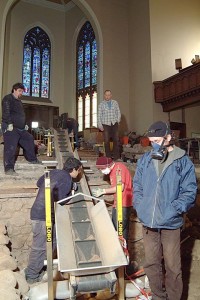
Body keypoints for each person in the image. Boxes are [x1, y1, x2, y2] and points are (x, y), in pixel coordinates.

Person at [133, 121, 197, 300]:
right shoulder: (146, 160)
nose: (153, 143)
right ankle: (158, 296)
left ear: (168, 137)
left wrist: (175, 209)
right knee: (151, 264)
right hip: (149, 223)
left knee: (173, 266)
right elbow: (137, 185)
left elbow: (190, 191)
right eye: (151, 140)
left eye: (157, 140)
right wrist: (141, 205)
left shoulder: (182, 161)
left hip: (170, 222)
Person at [25, 157, 82, 284]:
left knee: (54, 241)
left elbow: (39, 182)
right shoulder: (67, 178)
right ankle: (31, 275)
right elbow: (61, 200)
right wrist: (72, 193)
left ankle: (43, 267)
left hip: (41, 212)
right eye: (78, 171)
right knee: (39, 247)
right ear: (73, 169)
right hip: (42, 216)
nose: (78, 174)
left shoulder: (54, 172)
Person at [1, 82, 41, 175]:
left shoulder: (19, 101)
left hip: (20, 128)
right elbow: (6, 112)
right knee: (11, 147)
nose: (21, 93)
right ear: (14, 90)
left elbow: (21, 114)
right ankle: (9, 169)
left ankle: (32, 159)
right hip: (11, 127)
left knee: (29, 139)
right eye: (19, 91)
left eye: (22, 91)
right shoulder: (7, 99)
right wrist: (8, 123)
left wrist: (25, 124)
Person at [93, 156, 133, 242]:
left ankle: (121, 251)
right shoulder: (113, 170)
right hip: (118, 203)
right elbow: (116, 188)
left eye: (101, 169)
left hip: (123, 204)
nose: (101, 171)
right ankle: (123, 250)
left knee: (119, 231)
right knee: (119, 230)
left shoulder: (118, 169)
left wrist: (103, 191)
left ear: (107, 165)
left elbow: (120, 187)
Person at [97, 90, 121, 160]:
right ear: (104, 96)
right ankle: (108, 157)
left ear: (111, 95)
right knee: (106, 140)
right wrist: (100, 125)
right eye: (106, 95)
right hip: (105, 124)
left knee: (116, 139)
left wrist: (118, 120)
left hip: (114, 123)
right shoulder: (101, 104)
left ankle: (116, 157)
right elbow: (99, 115)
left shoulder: (115, 103)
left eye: (109, 95)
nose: (107, 96)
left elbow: (118, 112)